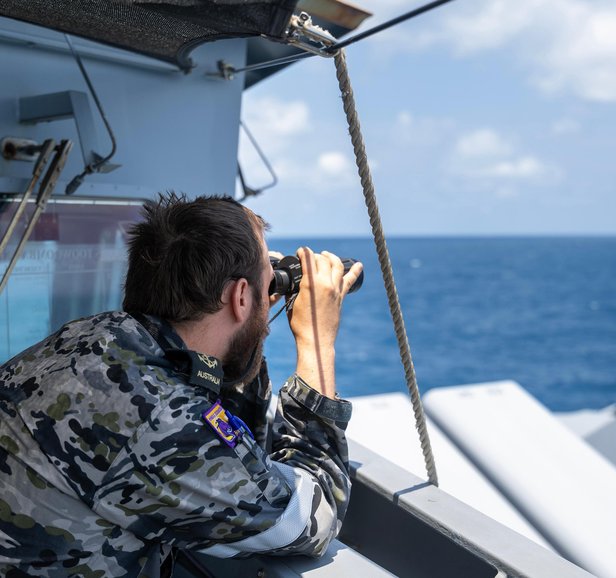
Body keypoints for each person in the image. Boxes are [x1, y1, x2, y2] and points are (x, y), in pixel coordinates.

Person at [0, 192, 363, 577]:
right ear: (240, 296)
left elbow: (228, 442)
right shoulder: (164, 425)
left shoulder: (89, 336)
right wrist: (316, 342)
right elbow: (310, 518)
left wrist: (251, 316)